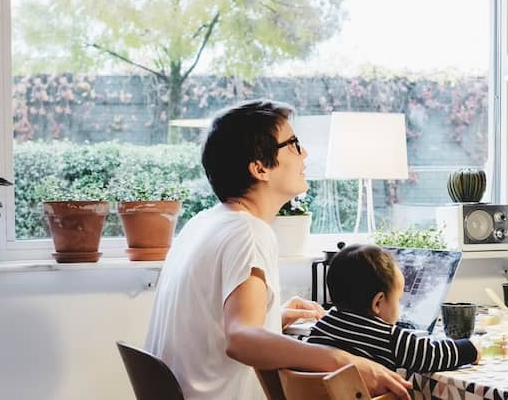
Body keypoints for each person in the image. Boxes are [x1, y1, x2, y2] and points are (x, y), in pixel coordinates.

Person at [144, 100, 411, 400]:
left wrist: (273, 316)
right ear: (260, 168)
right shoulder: (248, 232)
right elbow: (241, 339)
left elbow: (213, 327)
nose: (305, 154)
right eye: (294, 145)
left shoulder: (201, 224)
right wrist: (342, 360)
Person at [306, 244, 480, 373]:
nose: (400, 306)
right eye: (398, 299)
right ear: (378, 303)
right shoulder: (388, 338)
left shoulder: (322, 326)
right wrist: (471, 348)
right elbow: (431, 355)